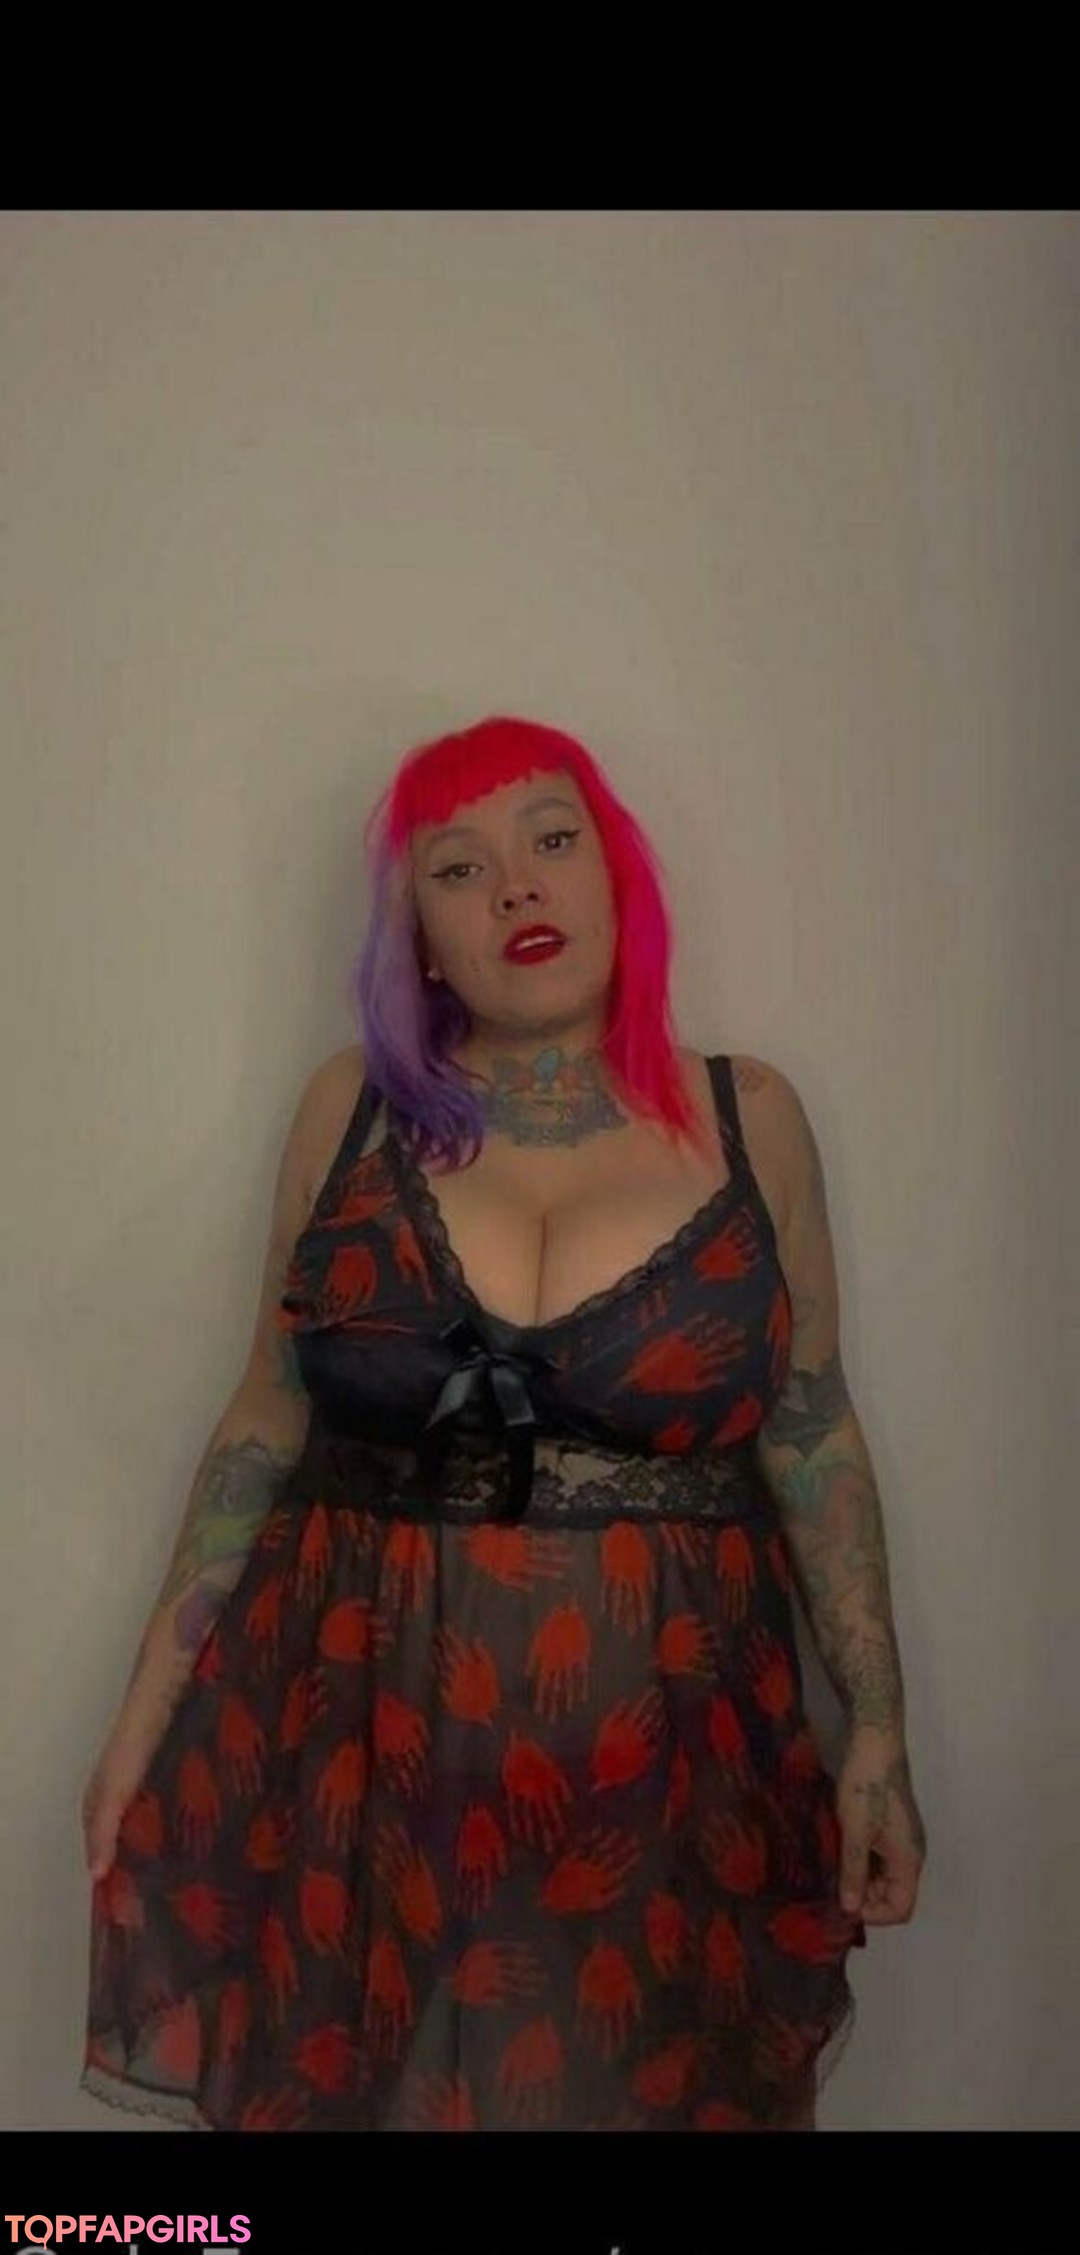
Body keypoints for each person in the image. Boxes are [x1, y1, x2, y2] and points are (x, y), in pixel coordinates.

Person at [81, 714, 925, 2133]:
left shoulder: (751, 1116)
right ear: (419, 938)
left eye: (552, 839)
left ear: (615, 875)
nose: (518, 886)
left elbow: (812, 1434)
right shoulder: (348, 1114)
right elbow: (264, 1413)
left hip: (672, 1780)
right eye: (459, 868)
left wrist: (881, 1731)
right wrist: (140, 1719)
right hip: (362, 1760)